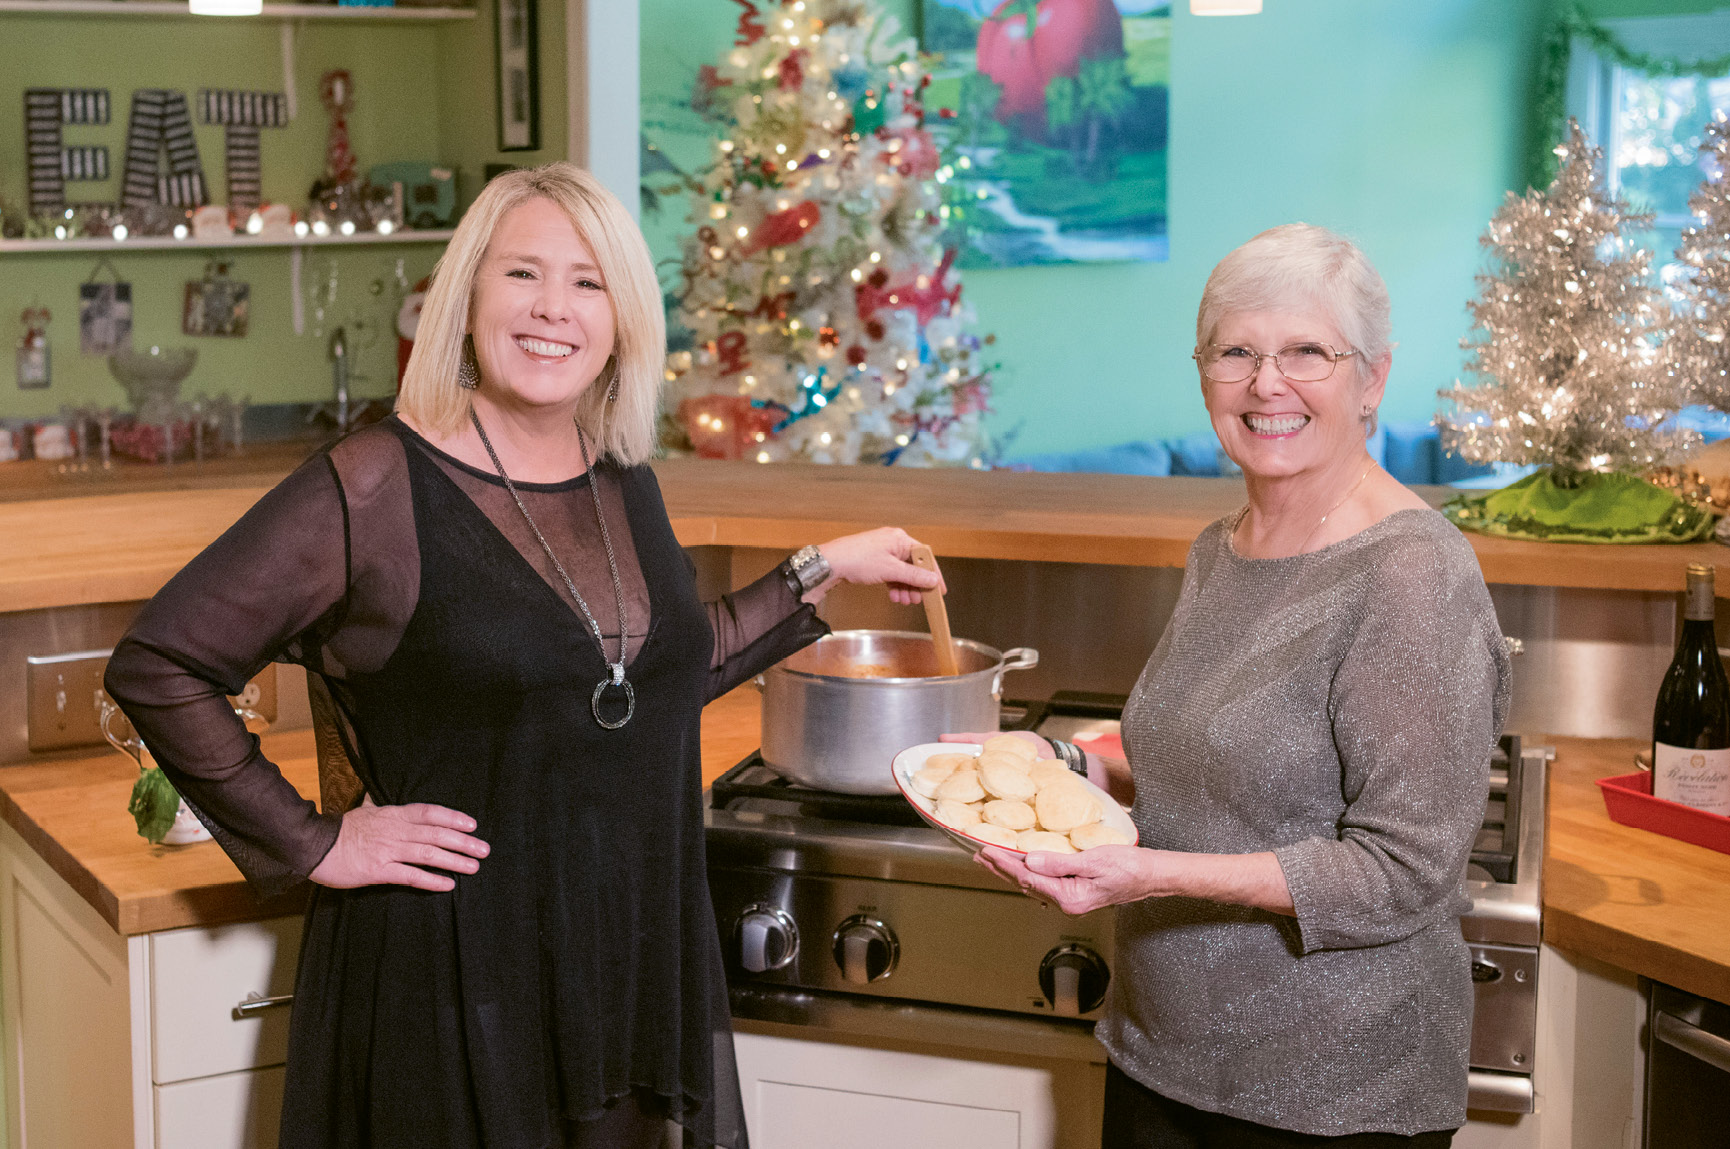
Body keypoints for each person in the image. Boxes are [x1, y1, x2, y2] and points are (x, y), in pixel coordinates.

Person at [104, 162, 941, 1149]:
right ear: (466, 298)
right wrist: (317, 842)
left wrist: (813, 570)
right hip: (448, 986)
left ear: (623, 318)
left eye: (587, 283)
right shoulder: (375, 484)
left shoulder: (617, 473)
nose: (553, 310)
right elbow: (161, 665)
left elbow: (640, 681)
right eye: (522, 275)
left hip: (610, 971)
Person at [967, 224, 1510, 1147]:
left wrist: (1144, 875)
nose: (1268, 383)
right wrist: (1057, 762)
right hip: (1162, 1047)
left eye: (1307, 352)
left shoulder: (1412, 573)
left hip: (1331, 1090)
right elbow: (1199, 766)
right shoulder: (1223, 546)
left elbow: (1405, 871)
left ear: (1372, 378)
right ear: (1203, 371)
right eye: (1237, 352)